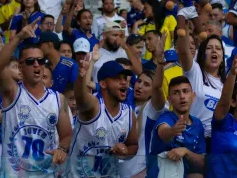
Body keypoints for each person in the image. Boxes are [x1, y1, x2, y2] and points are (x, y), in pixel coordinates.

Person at [0, 17, 73, 177]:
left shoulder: (59, 99)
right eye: (30, 61)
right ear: (20, 68)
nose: (36, 64)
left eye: (40, 61)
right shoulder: (12, 93)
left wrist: (62, 150)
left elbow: (67, 135)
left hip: (47, 174)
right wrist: (19, 36)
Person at [65, 55, 138, 178]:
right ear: (103, 84)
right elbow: (81, 97)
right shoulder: (94, 105)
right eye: (117, 78)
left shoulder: (129, 113)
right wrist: (81, 77)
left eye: (125, 78)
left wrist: (125, 150)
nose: (124, 82)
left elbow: (133, 146)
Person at [121, 34, 167, 178]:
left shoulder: (152, 109)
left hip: (139, 171)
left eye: (146, 84)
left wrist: (159, 61)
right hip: (115, 168)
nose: (139, 86)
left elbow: (159, 88)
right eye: (139, 81)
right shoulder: (123, 101)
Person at [177, 25, 226, 149]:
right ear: (202, 53)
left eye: (218, 49)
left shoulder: (226, 84)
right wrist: (185, 21)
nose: (214, 51)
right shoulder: (195, 71)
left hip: (216, 141)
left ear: (222, 57)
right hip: (192, 136)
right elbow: (183, 51)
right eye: (209, 48)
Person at [147, 76, 206, 177]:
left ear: (193, 96)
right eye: (176, 93)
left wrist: (186, 152)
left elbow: (202, 162)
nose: (182, 96)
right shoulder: (165, 118)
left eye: (185, 91)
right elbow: (163, 132)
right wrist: (172, 131)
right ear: (169, 99)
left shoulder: (198, 124)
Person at [0, 58, 23, 176]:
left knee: (16, 170)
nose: (19, 70)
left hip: (18, 140)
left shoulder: (25, 90)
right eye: (15, 67)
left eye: (20, 67)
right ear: (5, 70)